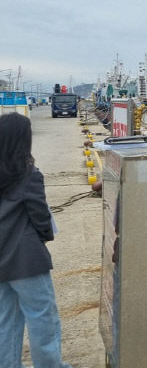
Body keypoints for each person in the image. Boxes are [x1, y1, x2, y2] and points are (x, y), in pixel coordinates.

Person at [0, 113, 72, 368]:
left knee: (6, 320)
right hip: (26, 260)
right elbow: (40, 215)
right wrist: (45, 234)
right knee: (43, 317)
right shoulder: (28, 174)